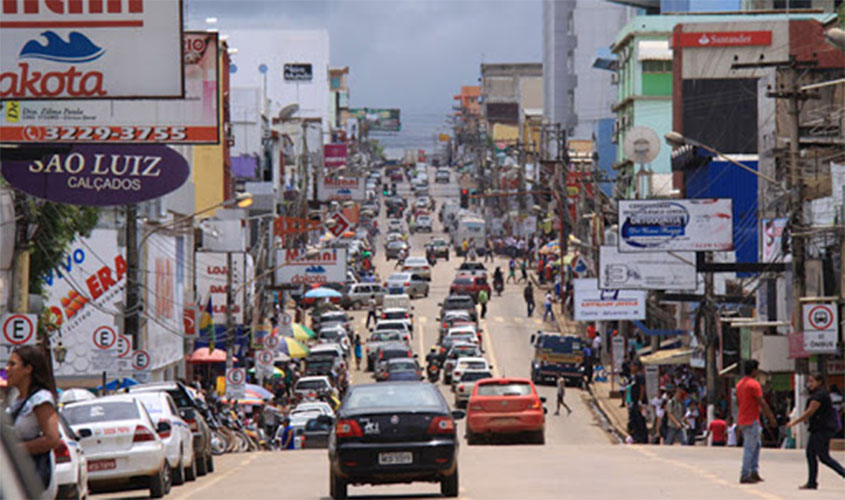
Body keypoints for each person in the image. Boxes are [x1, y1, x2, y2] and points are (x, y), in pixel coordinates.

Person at [5, 346, 60, 499]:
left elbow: (52, 439)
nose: (7, 369)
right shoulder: (14, 399)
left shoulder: (40, 399)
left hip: (33, 478)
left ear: (28, 368)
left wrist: (15, 450)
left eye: (12, 364)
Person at [786, 372, 845, 490]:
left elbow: (810, 411)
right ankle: (812, 482)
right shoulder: (816, 394)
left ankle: (842, 473)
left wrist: (794, 422)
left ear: (819, 382)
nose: (809, 384)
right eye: (809, 381)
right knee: (810, 454)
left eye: (812, 381)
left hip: (822, 430)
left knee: (824, 457)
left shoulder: (820, 395)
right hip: (817, 429)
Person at [736, 359, 777, 484]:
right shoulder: (754, 384)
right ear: (754, 370)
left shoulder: (740, 384)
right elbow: (762, 402)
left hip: (743, 419)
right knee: (750, 447)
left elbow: (739, 402)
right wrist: (771, 417)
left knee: (757, 445)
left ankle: (754, 471)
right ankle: (745, 473)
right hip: (751, 420)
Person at [627, 359, 648, 444]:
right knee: (634, 419)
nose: (631, 368)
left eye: (632, 366)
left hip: (639, 403)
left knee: (640, 420)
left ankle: (642, 437)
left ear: (636, 367)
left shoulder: (640, 376)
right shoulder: (633, 376)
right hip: (634, 402)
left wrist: (640, 401)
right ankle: (636, 436)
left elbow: (642, 388)